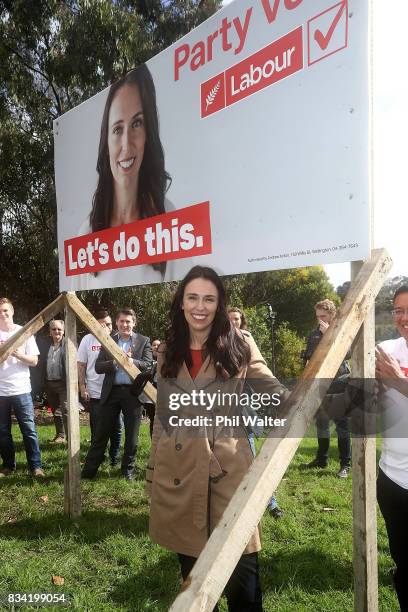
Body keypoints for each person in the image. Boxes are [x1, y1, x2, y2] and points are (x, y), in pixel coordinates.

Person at [147, 267, 289, 611]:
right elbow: (163, 416)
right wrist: (153, 468)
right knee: (193, 579)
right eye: (192, 297)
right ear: (181, 302)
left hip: (228, 469)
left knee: (243, 580)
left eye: (209, 299)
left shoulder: (239, 345)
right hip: (178, 468)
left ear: (219, 304)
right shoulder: (168, 350)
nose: (200, 306)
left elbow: (275, 390)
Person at [72, 64, 191, 290]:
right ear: (106, 141)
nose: (127, 145)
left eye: (137, 123)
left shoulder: (170, 221)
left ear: (149, 132)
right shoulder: (87, 232)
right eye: (117, 129)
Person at [81, 308, 152, 480]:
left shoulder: (143, 341)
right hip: (111, 392)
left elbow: (148, 364)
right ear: (117, 323)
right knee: (100, 434)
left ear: (134, 323)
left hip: (133, 394)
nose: (125, 324)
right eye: (121, 321)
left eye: (128, 321)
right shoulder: (108, 340)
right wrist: (114, 362)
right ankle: (89, 472)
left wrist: (130, 361)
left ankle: (127, 471)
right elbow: (98, 367)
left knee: (132, 436)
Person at [228, 306, 284, 519]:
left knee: (251, 459)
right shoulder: (215, 341)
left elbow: (259, 372)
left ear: (241, 322)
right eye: (229, 319)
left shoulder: (247, 340)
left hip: (242, 410)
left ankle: (271, 503)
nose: (233, 322)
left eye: (236, 319)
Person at [376, 285, 408, 612]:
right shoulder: (386, 349)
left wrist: (398, 380)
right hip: (393, 479)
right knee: (403, 564)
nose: (403, 317)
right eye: (398, 309)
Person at [302, 299, 351, 478]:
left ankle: (345, 465)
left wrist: (328, 334)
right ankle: (321, 459)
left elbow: (347, 354)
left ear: (332, 314)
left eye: (323, 316)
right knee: (321, 423)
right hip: (319, 384)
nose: (320, 319)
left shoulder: (342, 330)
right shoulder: (314, 334)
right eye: (318, 316)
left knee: (341, 426)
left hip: (339, 381)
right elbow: (308, 359)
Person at [0, 297, 44, 477]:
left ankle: (36, 466)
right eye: (0, 311)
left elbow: (34, 361)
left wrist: (17, 353)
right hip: (0, 392)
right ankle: (8, 465)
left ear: (12, 311)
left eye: (5, 310)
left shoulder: (23, 332)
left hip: (22, 390)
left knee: (29, 430)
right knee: (3, 432)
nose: (3, 314)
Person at [77, 310, 122, 466]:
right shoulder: (87, 340)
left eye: (109, 324)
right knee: (97, 428)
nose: (106, 327)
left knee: (116, 427)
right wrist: (82, 387)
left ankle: (114, 458)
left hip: (115, 390)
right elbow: (81, 365)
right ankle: (97, 458)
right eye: (102, 324)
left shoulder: (118, 339)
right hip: (95, 391)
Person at [37, 320, 68, 443]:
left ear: (63, 331)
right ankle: (60, 435)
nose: (57, 331)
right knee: (56, 411)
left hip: (64, 384)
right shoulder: (45, 345)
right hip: (49, 383)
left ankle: (71, 437)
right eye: (54, 329)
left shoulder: (69, 344)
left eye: (59, 329)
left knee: (66, 411)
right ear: (50, 332)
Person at [143, 339, 160, 439]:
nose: (156, 347)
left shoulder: (167, 360)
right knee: (153, 420)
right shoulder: (147, 361)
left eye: (158, 345)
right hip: (149, 396)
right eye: (154, 345)